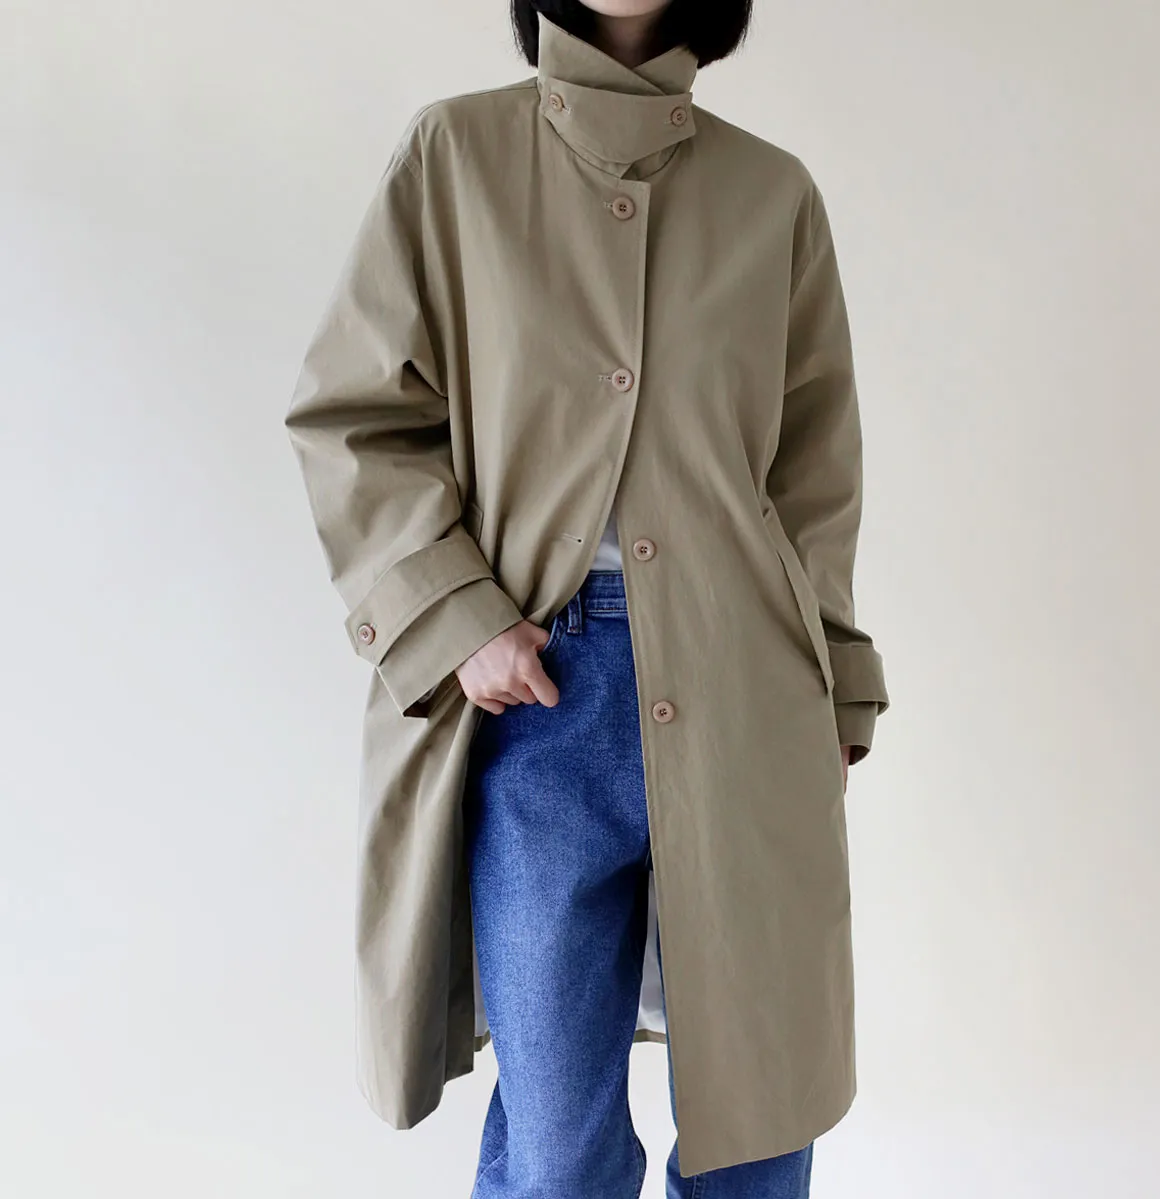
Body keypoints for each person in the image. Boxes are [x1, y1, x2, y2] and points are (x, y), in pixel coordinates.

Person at [284, 1, 890, 1195]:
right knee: (558, 1149)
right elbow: (356, 419)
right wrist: (457, 620)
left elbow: (813, 482)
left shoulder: (772, 196)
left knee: (760, 1129)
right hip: (536, 708)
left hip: (745, 698)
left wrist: (838, 694)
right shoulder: (455, 157)